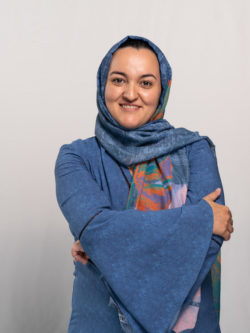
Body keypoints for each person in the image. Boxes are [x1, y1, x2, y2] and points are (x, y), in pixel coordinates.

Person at [55, 35, 233, 333]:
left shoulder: (195, 150)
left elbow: (207, 246)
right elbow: (96, 228)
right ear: (103, 85)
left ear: (163, 89)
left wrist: (106, 249)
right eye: (119, 80)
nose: (131, 93)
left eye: (146, 83)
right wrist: (201, 219)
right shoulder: (76, 158)